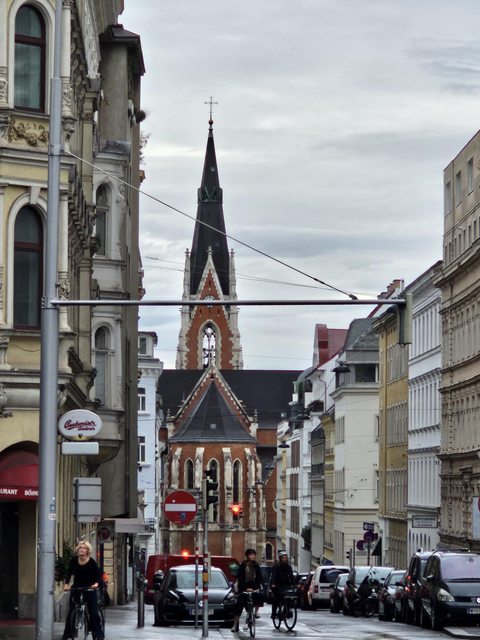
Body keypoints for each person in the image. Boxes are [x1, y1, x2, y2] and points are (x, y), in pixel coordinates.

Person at [62, 541, 104, 640]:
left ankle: (97, 633)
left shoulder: (91, 562)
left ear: (87, 551)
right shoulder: (74, 560)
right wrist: (66, 584)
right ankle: (68, 634)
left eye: (84, 548)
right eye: (80, 547)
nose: (81, 549)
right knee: (71, 612)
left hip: (89, 588)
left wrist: (96, 584)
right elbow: (69, 573)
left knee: (93, 613)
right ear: (77, 550)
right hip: (77, 587)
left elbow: (98, 575)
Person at [231, 548, 264, 633]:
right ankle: (235, 624)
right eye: (250, 554)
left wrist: (255, 587)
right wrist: (245, 588)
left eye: (253, 554)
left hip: (254, 588)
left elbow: (259, 578)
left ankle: (256, 612)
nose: (252, 556)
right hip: (244, 588)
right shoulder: (243, 565)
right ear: (247, 556)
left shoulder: (256, 565)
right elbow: (240, 578)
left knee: (260, 596)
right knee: (239, 604)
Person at [270, 550, 295, 620]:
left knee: (289, 598)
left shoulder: (288, 567)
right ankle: (273, 613)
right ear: (280, 559)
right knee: (277, 599)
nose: (284, 559)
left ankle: (286, 611)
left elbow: (291, 576)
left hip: (286, 585)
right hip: (277, 585)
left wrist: (294, 583)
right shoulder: (276, 567)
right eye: (283, 558)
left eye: (285, 558)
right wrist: (273, 583)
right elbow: (273, 575)